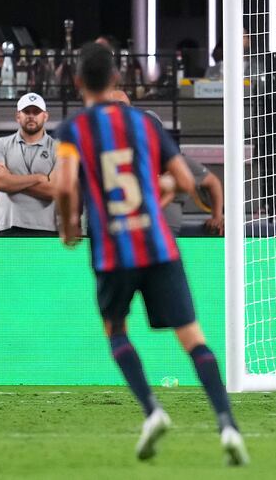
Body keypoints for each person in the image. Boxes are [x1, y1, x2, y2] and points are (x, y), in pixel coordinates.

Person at [52, 43, 248, 464]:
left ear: (78, 81)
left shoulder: (73, 130)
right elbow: (183, 180)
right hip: (158, 245)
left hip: (111, 252)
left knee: (116, 330)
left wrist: (69, 228)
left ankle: (152, 410)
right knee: (192, 337)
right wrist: (158, 193)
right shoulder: (146, 126)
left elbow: (66, 187)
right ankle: (227, 423)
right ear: (118, 80)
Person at [106, 90, 225, 235]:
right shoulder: (116, 151)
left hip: (162, 229)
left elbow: (209, 182)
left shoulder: (177, 160)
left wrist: (217, 216)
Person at [0, 93, 58, 236]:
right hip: (7, 227)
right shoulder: (0, 144)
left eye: (36, 112)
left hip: (45, 229)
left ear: (45, 116)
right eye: (26, 112)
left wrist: (10, 181)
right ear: (18, 116)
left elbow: (56, 190)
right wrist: (39, 178)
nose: (31, 116)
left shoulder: (58, 147)